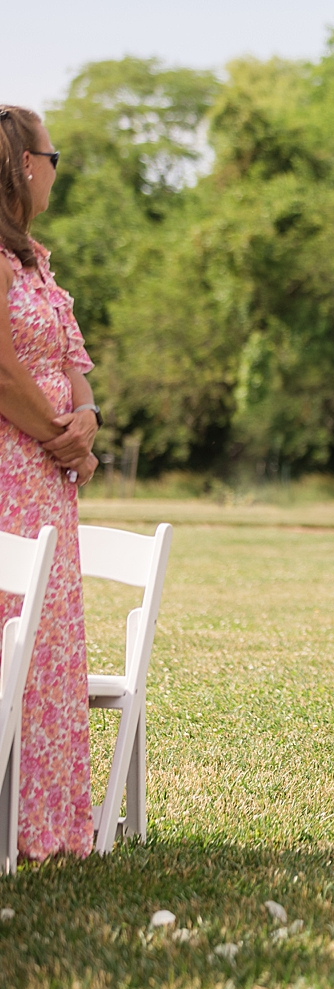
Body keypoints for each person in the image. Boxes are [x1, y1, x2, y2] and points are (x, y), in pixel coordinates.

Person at [0, 105, 101, 859]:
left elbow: (74, 358)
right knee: (12, 639)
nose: (56, 169)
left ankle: (50, 824)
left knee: (50, 650)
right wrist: (57, 436)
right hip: (13, 473)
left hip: (51, 483)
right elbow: (2, 371)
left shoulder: (37, 260)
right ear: (24, 166)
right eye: (53, 155)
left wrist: (86, 421)